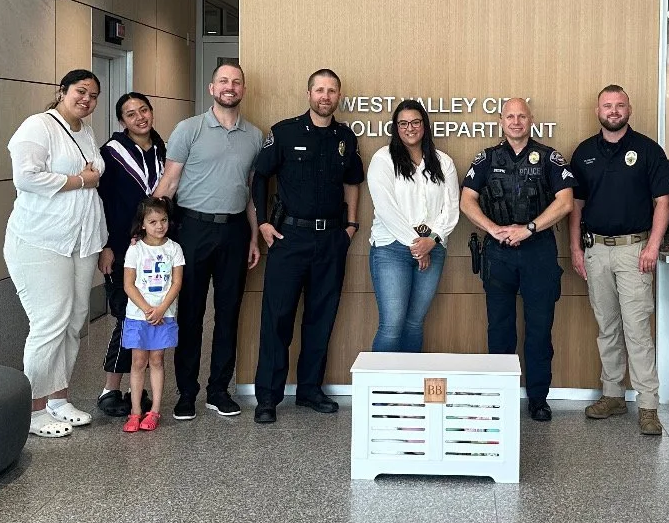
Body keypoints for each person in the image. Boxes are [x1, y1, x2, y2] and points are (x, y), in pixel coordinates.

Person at [252, 68, 364, 423]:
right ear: (309, 93)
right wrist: (264, 224)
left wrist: (351, 226)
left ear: (338, 97)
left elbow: (353, 182)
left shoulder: (345, 137)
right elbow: (259, 177)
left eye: (332, 91)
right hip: (289, 239)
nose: (325, 96)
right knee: (277, 317)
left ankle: (309, 390)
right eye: (320, 90)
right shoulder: (284, 133)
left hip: (331, 239)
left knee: (321, 316)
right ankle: (268, 397)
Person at [154, 62, 262, 421]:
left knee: (229, 314)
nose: (230, 87)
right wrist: (149, 235)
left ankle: (219, 390)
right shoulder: (190, 129)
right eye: (223, 82)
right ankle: (187, 393)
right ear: (212, 88)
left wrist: (253, 237)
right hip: (193, 231)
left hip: (234, 232)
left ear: (243, 90)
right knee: (191, 314)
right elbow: (168, 184)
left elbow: (249, 191)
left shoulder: (255, 136)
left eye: (236, 82)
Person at [3, 68, 106, 438]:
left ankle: (58, 400)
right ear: (62, 91)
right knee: (50, 321)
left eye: (93, 96)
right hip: (40, 240)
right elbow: (25, 177)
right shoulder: (38, 126)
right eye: (80, 91)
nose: (86, 100)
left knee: (75, 319)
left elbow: (93, 182)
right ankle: (31, 411)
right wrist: (80, 180)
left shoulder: (87, 131)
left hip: (81, 240)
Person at [569, 85, 669, 435]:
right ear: (597, 109)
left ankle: (648, 405)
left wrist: (652, 246)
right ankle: (613, 395)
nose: (613, 111)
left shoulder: (648, 151)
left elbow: (664, 201)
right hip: (595, 249)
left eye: (619, 105)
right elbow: (577, 206)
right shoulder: (584, 152)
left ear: (629, 108)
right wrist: (575, 249)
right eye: (607, 106)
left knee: (637, 331)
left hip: (635, 251)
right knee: (607, 327)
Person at [460, 96, 575, 422]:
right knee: (500, 329)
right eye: (509, 116)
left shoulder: (550, 157)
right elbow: (466, 201)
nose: (515, 121)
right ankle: (499, 396)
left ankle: (538, 398)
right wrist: (493, 229)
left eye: (521, 116)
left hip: (538, 251)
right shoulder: (486, 158)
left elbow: (565, 202)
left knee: (540, 331)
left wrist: (528, 229)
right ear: (501, 121)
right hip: (498, 254)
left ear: (530, 120)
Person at [367, 100, 461, 352]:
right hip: (391, 249)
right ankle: (381, 391)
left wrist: (432, 240)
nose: (410, 128)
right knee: (392, 324)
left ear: (425, 125)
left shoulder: (443, 162)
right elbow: (385, 208)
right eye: (403, 123)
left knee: (414, 324)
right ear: (396, 128)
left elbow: (451, 207)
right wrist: (416, 245)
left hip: (434, 248)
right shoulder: (383, 159)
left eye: (416, 122)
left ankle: (408, 390)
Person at [96, 92, 166, 417]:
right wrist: (107, 244)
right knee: (127, 317)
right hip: (122, 249)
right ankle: (111, 388)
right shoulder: (111, 155)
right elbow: (100, 204)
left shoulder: (164, 150)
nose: (139, 117)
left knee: (152, 317)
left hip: (157, 252)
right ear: (121, 121)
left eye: (143, 110)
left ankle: (140, 390)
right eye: (130, 113)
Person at [121, 197, 185, 434]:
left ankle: (155, 410)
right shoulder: (135, 249)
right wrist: (148, 309)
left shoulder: (174, 249)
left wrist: (161, 310)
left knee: (157, 359)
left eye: (164, 220)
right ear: (143, 224)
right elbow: (129, 284)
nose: (159, 226)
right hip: (138, 316)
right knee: (138, 361)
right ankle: (135, 411)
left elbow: (177, 283)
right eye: (153, 221)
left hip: (164, 314)